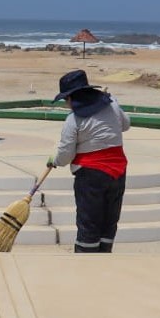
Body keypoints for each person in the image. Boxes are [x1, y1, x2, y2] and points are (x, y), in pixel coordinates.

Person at [48, 70, 131, 253]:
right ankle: (104, 256)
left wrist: (55, 161)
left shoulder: (74, 119)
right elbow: (125, 125)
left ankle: (87, 261)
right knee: (109, 220)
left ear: (71, 98)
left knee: (89, 221)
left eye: (65, 99)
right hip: (118, 171)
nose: (66, 104)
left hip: (90, 174)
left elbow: (66, 152)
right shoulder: (113, 105)